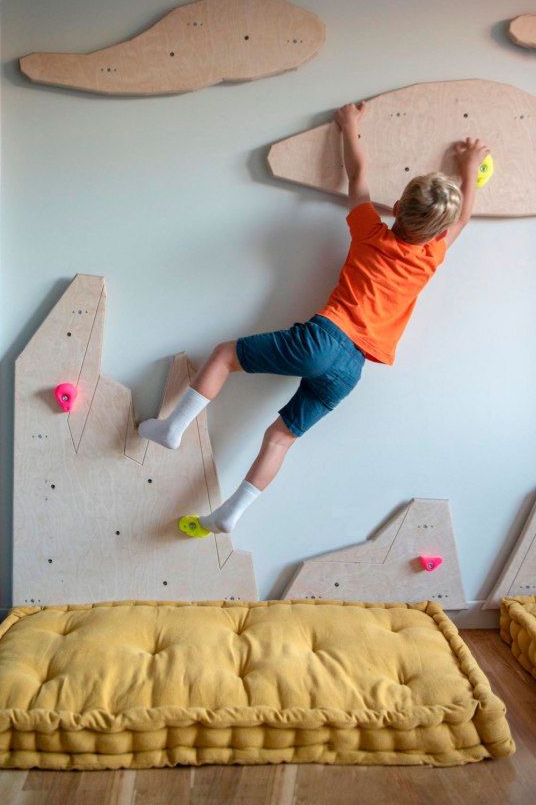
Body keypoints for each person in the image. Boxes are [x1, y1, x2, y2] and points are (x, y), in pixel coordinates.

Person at [138, 101, 489, 537]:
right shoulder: (432, 257)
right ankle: (231, 514)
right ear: (438, 234)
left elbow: (357, 175)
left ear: (396, 207)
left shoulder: (369, 230)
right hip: (351, 370)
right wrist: (469, 168)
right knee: (280, 438)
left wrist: (349, 124)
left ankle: (173, 428)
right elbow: (464, 217)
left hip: (324, 339)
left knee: (226, 355)